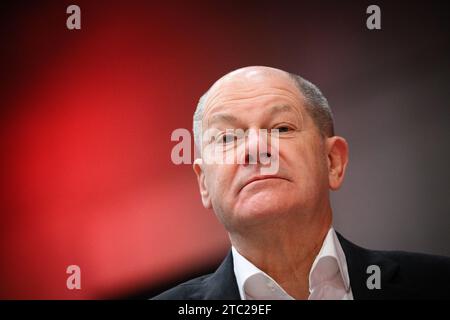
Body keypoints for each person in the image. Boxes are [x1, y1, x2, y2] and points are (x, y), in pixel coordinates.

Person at [153, 66, 450, 300]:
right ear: (204, 184)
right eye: (228, 137)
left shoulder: (436, 284)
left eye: (281, 128)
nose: (256, 148)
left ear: (333, 161)